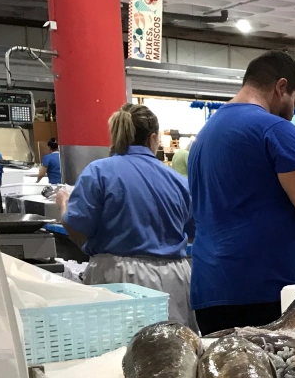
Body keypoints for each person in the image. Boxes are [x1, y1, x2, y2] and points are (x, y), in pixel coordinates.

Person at [188, 51, 295, 334]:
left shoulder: (206, 133)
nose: (293, 110)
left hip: (212, 289)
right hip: (266, 294)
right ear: (281, 87)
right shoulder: (274, 128)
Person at [55, 104, 196, 327]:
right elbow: (192, 233)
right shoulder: (178, 181)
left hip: (117, 277)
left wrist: (63, 204)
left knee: (115, 353)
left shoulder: (99, 172)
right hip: (173, 279)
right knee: (170, 353)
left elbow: (77, 228)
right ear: (153, 138)